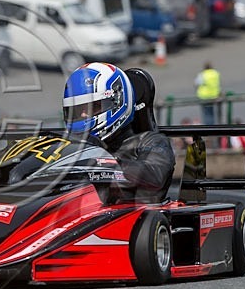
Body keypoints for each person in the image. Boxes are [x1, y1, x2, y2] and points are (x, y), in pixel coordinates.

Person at [62, 62, 175, 202]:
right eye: (78, 111)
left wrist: (99, 162)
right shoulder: (71, 148)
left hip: (130, 216)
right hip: (75, 213)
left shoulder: (151, 141)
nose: (84, 115)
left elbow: (154, 177)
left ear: (117, 102)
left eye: (92, 107)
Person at [194, 61, 221, 126]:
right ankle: (213, 127)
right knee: (212, 113)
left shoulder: (203, 74)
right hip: (214, 96)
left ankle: (208, 128)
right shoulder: (215, 73)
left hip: (204, 96)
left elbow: (196, 83)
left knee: (207, 114)